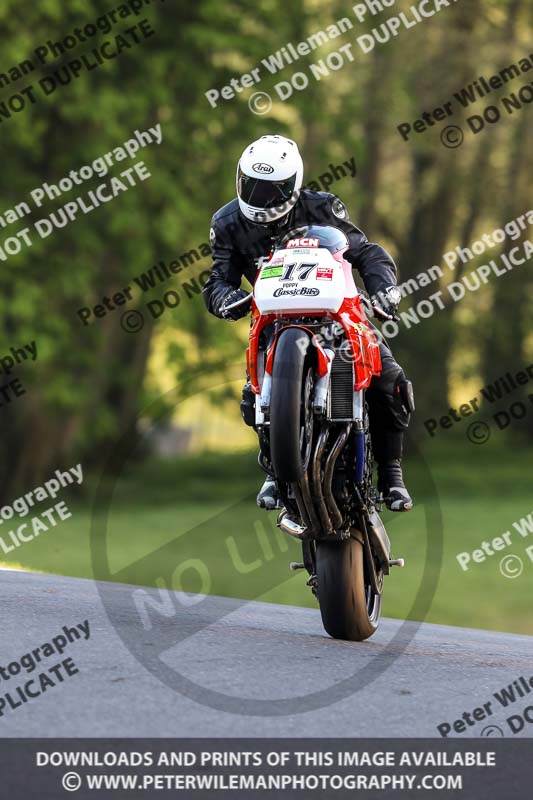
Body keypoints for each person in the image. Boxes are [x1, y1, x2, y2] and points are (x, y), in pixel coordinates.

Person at [203, 134, 414, 512]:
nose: (261, 198)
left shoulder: (322, 207)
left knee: (389, 378)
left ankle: (392, 474)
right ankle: (275, 468)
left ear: (294, 184)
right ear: (239, 179)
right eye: (252, 186)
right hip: (276, 318)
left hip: (335, 311)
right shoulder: (227, 221)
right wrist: (225, 299)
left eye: (273, 190)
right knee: (252, 393)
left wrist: (383, 290)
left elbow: (367, 252)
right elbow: (218, 278)